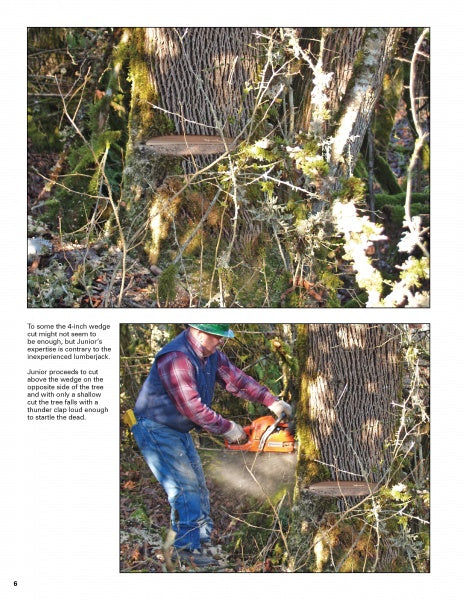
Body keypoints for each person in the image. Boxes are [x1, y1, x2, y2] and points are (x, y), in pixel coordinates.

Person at [130, 324, 292, 568]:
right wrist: (227, 427)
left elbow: (236, 379)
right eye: (216, 337)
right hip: (156, 427)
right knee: (185, 488)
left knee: (198, 486)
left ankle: (202, 542)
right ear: (197, 332)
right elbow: (192, 407)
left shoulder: (210, 354)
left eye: (222, 338)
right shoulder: (177, 358)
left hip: (178, 428)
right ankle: (186, 550)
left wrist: (271, 401)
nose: (220, 342)